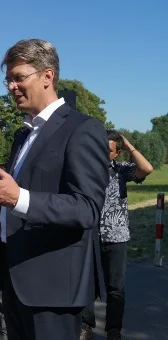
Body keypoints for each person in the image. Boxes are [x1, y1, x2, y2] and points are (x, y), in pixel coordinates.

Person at [0, 39, 110, 340]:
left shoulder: (82, 129)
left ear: (47, 76)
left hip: (52, 290)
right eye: (8, 79)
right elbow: (9, 202)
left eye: (19, 77)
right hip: (13, 283)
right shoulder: (23, 134)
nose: (11, 86)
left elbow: (86, 208)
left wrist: (20, 198)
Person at [80, 131, 153, 340]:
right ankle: (86, 326)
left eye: (108, 150)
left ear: (116, 153)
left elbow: (146, 168)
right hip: (91, 235)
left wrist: (129, 146)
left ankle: (113, 330)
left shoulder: (122, 170)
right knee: (88, 284)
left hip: (116, 237)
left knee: (115, 288)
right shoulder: (88, 170)